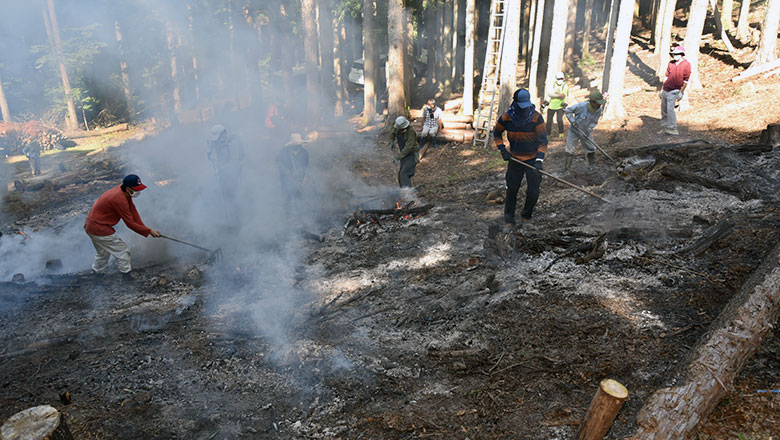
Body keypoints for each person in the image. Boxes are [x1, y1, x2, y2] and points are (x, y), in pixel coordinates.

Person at [84, 174, 161, 278]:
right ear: (128, 188)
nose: (138, 192)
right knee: (123, 251)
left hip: (91, 226)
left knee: (103, 253)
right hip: (99, 228)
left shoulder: (123, 192)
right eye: (136, 189)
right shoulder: (119, 199)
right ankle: (126, 277)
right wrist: (148, 231)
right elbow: (130, 223)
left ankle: (97, 275)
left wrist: (146, 229)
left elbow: (133, 212)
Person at [493, 89, 547, 229]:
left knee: (534, 191)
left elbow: (543, 142)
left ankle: (526, 217)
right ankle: (509, 221)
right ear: (515, 103)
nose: (524, 109)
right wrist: (502, 150)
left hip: (533, 160)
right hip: (515, 159)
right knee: (511, 190)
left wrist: (539, 160)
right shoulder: (506, 118)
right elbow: (497, 133)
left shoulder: (536, 118)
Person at [563, 91, 607, 170]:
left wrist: (588, 129)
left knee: (591, 148)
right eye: (598, 103)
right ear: (592, 102)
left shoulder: (599, 110)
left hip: (586, 132)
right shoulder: (581, 106)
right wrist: (572, 121)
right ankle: (567, 168)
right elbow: (568, 111)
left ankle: (592, 166)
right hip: (574, 130)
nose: (600, 105)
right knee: (570, 149)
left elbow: (594, 122)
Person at [276, 133, 310, 216]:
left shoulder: (304, 152)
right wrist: (287, 171)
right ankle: (287, 214)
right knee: (287, 195)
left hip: (299, 178)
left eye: (299, 144)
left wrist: (300, 172)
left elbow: (305, 166)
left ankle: (299, 214)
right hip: (285, 178)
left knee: (298, 196)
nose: (298, 146)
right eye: (296, 145)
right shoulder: (283, 152)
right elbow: (278, 163)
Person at [660, 45, 690, 136]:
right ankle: (665, 127)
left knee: (670, 109)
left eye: (677, 54)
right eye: (674, 54)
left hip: (675, 90)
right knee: (664, 109)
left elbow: (686, 80)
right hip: (666, 89)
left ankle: (673, 128)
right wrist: (662, 89)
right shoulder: (671, 63)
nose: (675, 56)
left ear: (681, 54)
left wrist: (681, 92)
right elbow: (666, 77)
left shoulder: (686, 64)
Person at [207, 124, 244, 199]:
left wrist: (220, 170)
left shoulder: (232, 145)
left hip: (233, 173)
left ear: (224, 135)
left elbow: (234, 163)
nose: (217, 142)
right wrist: (210, 152)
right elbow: (212, 144)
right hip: (222, 172)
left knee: (232, 192)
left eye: (218, 139)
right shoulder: (218, 141)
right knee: (224, 191)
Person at [545, 72, 569, 139]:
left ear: (563, 78)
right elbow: (549, 94)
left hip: (561, 106)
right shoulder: (553, 85)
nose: (560, 80)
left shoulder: (565, 86)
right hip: (552, 105)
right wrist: (558, 95)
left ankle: (561, 134)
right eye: (558, 79)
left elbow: (563, 95)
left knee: (559, 120)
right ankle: (548, 135)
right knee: (549, 121)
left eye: (561, 78)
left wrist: (554, 94)